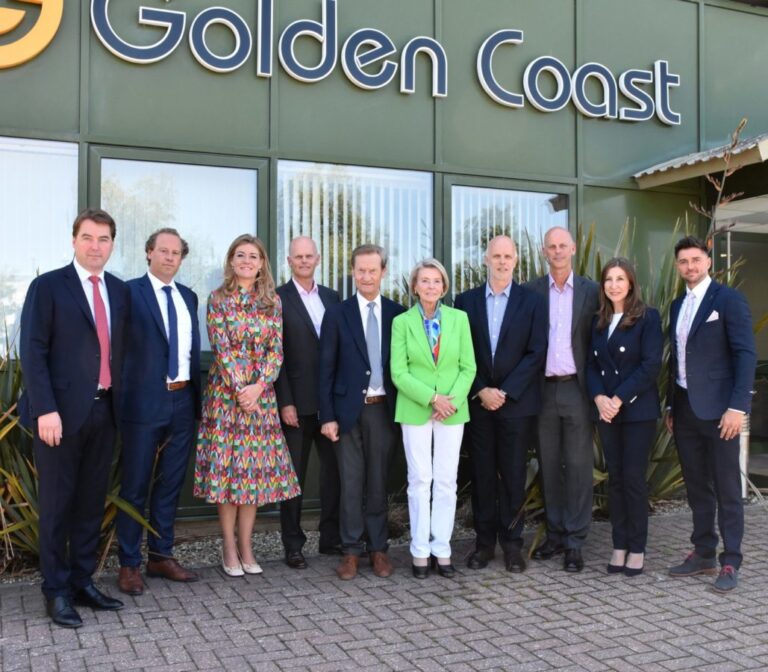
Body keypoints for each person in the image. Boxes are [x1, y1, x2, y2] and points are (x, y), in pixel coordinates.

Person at [19, 208, 130, 628]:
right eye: (87, 237)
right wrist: (45, 408)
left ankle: (82, 582)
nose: (95, 246)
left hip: (105, 412)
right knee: (57, 506)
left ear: (112, 245)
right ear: (73, 240)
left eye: (103, 239)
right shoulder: (47, 287)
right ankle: (56, 591)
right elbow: (34, 351)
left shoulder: (119, 291)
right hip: (59, 417)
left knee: (88, 504)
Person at [194, 234, 301, 577]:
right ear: (231, 261)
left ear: (261, 264)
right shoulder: (217, 299)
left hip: (261, 398)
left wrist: (258, 387)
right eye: (240, 255)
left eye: (252, 256)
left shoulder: (272, 302)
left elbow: (276, 351)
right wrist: (242, 389)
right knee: (229, 475)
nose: (246, 261)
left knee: (251, 478)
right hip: (227, 400)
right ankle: (228, 547)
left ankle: (247, 546)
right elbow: (221, 348)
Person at [666, 236, 756, 592]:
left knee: (727, 487)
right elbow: (677, 358)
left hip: (721, 411)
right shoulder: (677, 305)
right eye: (684, 261)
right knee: (696, 485)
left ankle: (730, 561)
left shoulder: (728, 300)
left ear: (707, 261)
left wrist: (738, 407)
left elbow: (745, 354)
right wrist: (672, 404)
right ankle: (703, 550)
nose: (690, 266)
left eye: (696, 259)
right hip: (686, 408)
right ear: (678, 267)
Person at [454, 236, 547, 573]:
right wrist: (481, 390)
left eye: (508, 256)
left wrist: (505, 391)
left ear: (517, 260)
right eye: (496, 256)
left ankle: (511, 545)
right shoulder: (465, 302)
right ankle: (482, 545)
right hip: (478, 403)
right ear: (486, 259)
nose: (502, 261)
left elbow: (537, 351)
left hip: (516, 403)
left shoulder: (532, 302)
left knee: (512, 475)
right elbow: (458, 354)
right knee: (481, 475)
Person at [116, 228, 201, 596]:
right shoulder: (128, 293)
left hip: (182, 400)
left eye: (176, 252)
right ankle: (129, 564)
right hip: (143, 402)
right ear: (148, 253)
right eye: (162, 250)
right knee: (135, 485)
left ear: (182, 258)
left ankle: (160, 555)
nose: (169, 257)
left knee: (170, 483)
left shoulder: (188, 296)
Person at [318, 244, 406, 580]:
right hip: (347, 412)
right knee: (351, 482)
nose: (366, 276)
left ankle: (379, 549)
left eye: (372, 270)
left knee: (378, 482)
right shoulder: (338, 314)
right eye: (360, 270)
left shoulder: (399, 314)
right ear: (353, 272)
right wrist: (327, 416)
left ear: (383, 271)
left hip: (384, 410)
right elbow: (325, 368)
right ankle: (351, 550)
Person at [390, 259, 476, 579]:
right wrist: (432, 398)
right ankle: (419, 551)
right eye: (424, 281)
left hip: (452, 410)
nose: (430, 286)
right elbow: (399, 371)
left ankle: (442, 548)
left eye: (436, 281)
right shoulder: (402, 322)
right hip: (416, 409)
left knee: (445, 481)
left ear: (444, 286)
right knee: (419, 479)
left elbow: (468, 367)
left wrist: (448, 401)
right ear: (414, 286)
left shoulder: (459, 319)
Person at [527, 226, 600, 572]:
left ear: (572, 249)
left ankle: (575, 541)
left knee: (579, 466)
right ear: (544, 252)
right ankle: (555, 534)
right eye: (551, 246)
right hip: (542, 390)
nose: (557, 251)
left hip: (577, 389)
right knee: (550, 464)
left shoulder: (592, 292)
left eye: (562, 246)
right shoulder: (531, 292)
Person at [586, 258, 663, 577]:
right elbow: (591, 365)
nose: (614, 284)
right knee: (615, 479)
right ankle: (619, 545)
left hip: (636, 411)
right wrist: (599, 397)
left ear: (631, 283)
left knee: (632, 480)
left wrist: (617, 398)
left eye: (620, 279)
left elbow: (650, 366)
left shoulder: (647, 317)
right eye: (608, 279)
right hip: (607, 411)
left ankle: (638, 548)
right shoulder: (599, 320)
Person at [276, 236, 342, 569]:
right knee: (294, 478)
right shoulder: (277, 298)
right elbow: (277, 356)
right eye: (297, 256)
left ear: (318, 259)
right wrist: (284, 401)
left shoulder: (332, 297)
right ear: (289, 260)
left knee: (334, 475)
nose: (303, 261)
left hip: (330, 405)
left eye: (309, 256)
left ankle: (331, 539)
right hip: (295, 406)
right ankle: (293, 544)